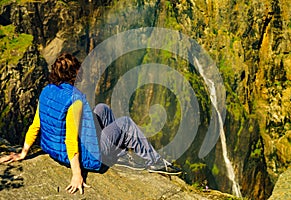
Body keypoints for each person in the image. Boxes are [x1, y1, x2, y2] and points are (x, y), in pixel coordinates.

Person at [0, 53, 181, 194]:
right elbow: (71, 139)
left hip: (53, 149)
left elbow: (35, 125)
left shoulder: (46, 91)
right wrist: (76, 175)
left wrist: (23, 153)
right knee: (125, 123)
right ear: (73, 74)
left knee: (102, 108)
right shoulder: (74, 100)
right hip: (91, 157)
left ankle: (120, 153)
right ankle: (155, 162)